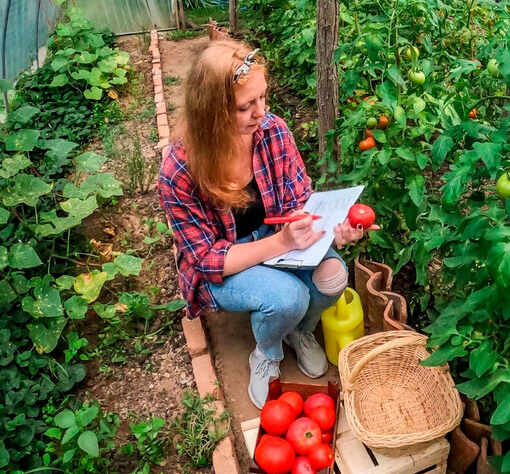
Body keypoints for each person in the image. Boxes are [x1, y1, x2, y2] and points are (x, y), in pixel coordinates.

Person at [159, 37, 372, 407]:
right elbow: (207, 260)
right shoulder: (180, 170)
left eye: (263, 97)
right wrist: (283, 243)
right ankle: (268, 350)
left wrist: (332, 230)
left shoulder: (272, 131)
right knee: (288, 297)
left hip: (276, 235)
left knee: (334, 276)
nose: (262, 112)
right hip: (229, 259)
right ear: (209, 112)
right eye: (246, 106)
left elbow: (297, 201)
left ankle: (299, 332)